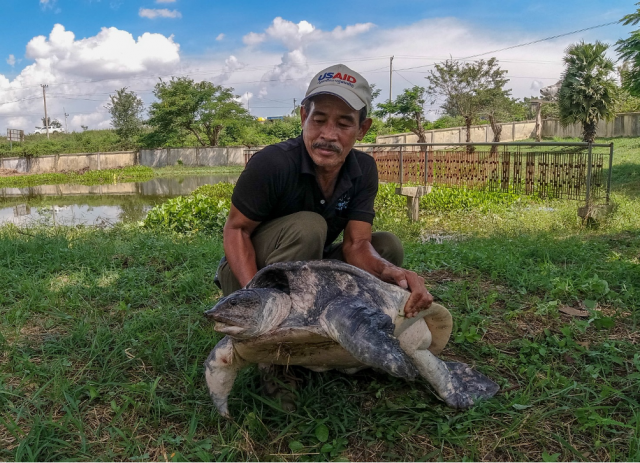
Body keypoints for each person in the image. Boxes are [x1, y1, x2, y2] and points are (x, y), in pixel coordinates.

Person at [216, 63, 433, 317]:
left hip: (309, 267)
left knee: (387, 247)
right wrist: (252, 295)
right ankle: (280, 321)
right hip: (248, 274)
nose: (328, 134)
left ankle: (346, 316)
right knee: (309, 226)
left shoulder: (363, 169)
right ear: (303, 118)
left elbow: (356, 243)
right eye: (319, 120)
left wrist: (388, 270)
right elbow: (236, 230)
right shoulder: (273, 163)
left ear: (362, 129)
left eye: (343, 124)